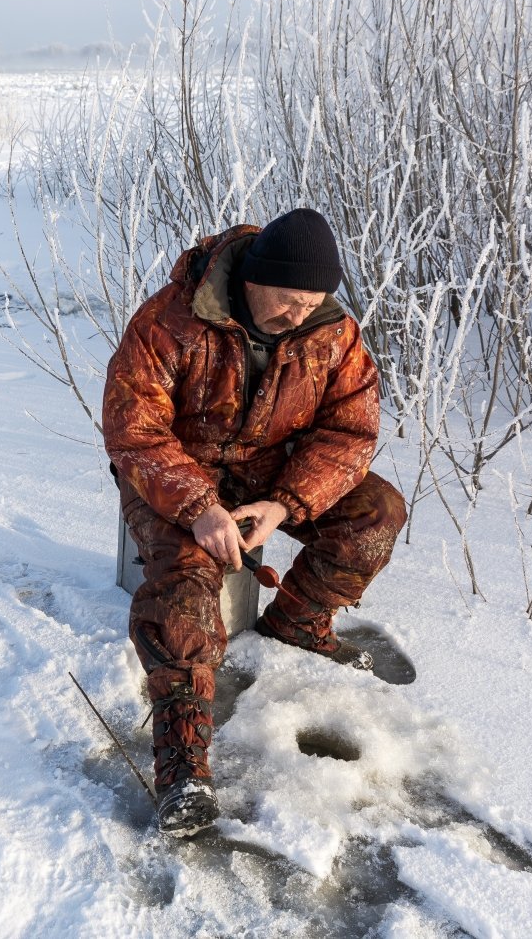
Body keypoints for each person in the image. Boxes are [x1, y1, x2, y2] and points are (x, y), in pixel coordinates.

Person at [103, 208, 407, 838]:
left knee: (376, 512)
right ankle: (184, 759)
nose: (300, 314)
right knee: (187, 585)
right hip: (174, 474)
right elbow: (133, 432)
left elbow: (351, 431)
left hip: (270, 475)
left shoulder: (333, 334)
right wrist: (198, 507)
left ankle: (297, 620)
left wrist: (287, 504)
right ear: (252, 278)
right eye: (289, 300)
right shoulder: (170, 321)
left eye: (314, 301)